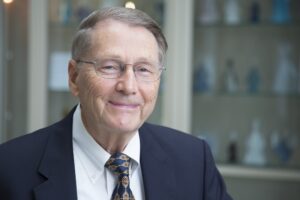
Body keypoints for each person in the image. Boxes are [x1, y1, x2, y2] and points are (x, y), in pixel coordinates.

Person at [0, 7, 232, 200]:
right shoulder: (10, 168)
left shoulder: (194, 161)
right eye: (110, 67)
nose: (128, 86)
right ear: (74, 77)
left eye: (143, 69)